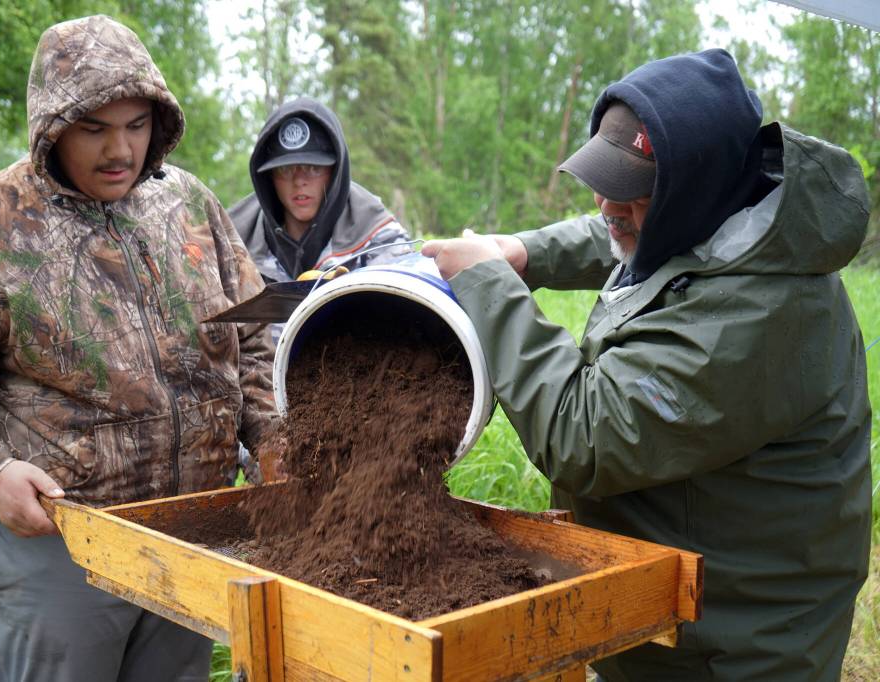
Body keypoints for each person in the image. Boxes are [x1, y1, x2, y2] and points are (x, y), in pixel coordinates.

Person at [422, 48, 871, 681]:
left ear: (698, 189)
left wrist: (491, 287)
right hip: (673, 597)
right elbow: (629, 236)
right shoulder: (726, 222)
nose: (607, 203)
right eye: (604, 180)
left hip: (739, 637)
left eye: (631, 189)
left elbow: (585, 433)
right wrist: (522, 252)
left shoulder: (759, 316)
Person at [0, 15, 277, 682]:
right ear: (53, 128)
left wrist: (270, 438)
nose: (121, 149)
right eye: (95, 128)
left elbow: (255, 334)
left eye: (137, 125)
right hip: (61, 550)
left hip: (193, 535)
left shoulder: (189, 206)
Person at [229, 97, 412, 286]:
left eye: (313, 168)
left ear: (335, 172)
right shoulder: (230, 238)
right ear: (268, 177)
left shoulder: (379, 236)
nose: (299, 181)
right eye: (286, 169)